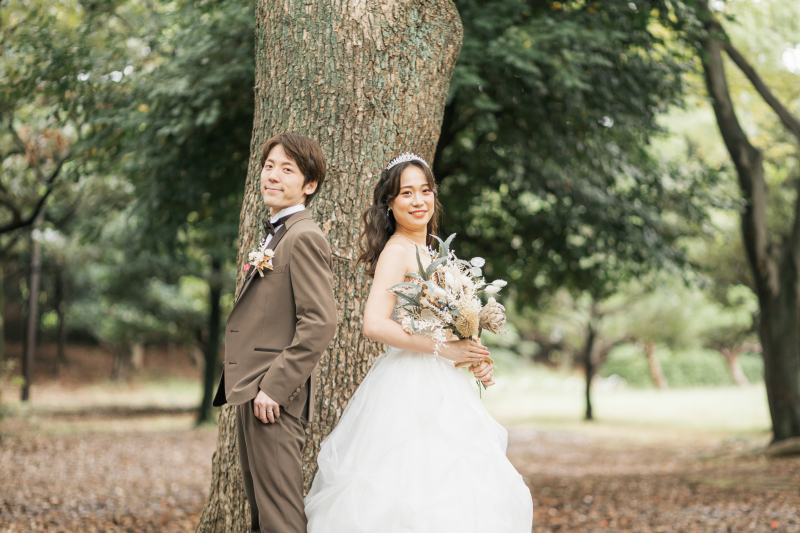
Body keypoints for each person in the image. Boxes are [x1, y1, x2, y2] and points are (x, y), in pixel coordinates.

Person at [304, 152, 533, 532]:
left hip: (444, 380)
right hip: (409, 386)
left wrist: (471, 352)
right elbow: (373, 323)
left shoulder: (429, 250)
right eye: (406, 193)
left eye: (425, 190)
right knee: (412, 489)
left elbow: (447, 324)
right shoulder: (397, 250)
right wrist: (444, 349)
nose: (418, 201)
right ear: (390, 204)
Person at [212, 132, 337, 533]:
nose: (273, 176)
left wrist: (275, 388)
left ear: (309, 184)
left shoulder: (304, 236)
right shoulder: (278, 233)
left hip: (274, 400)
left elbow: (320, 322)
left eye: (287, 169)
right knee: (263, 517)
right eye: (269, 167)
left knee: (281, 519)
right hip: (253, 391)